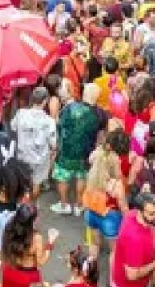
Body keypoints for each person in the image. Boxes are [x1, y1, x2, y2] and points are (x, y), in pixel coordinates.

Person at [51, 85, 103, 216]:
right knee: (81, 177)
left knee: (63, 176)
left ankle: (64, 204)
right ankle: (79, 205)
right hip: (86, 153)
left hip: (66, 151)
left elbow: (59, 126)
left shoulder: (69, 108)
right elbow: (100, 136)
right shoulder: (98, 113)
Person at [110, 191, 155, 287]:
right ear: (140, 212)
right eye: (152, 214)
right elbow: (132, 275)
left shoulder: (132, 214)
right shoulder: (135, 240)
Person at [10, 87, 57, 199]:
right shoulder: (49, 121)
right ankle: (31, 206)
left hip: (23, 155)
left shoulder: (20, 113)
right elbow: (53, 144)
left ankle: (22, 205)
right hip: (40, 158)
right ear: (45, 101)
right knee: (36, 183)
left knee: (24, 183)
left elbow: (13, 127)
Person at [0, 203, 58, 287]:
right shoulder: (36, 238)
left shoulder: (9, 228)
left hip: (9, 271)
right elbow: (41, 261)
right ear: (33, 221)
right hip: (28, 277)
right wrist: (50, 243)